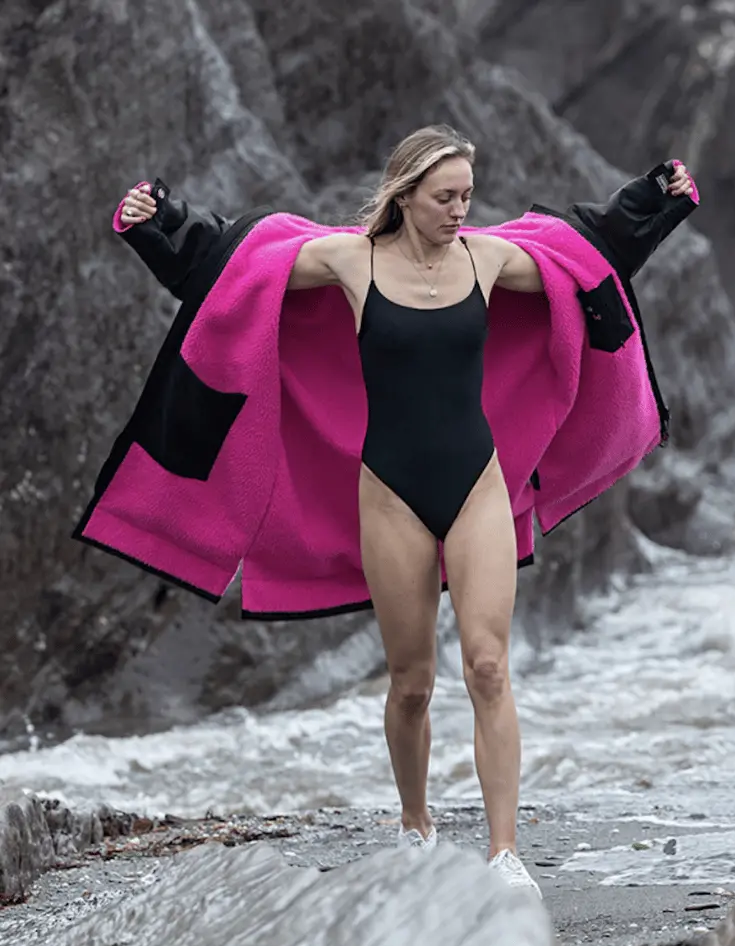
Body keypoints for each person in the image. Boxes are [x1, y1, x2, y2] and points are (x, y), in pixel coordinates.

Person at [86, 124, 696, 899]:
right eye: (444, 197)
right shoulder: (350, 261)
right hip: (389, 493)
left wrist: (653, 198)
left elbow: (584, 251)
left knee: (486, 666)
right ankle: (415, 828)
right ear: (404, 194)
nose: (458, 211)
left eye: (466, 196)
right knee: (410, 682)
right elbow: (235, 267)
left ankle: (504, 854)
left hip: (477, 484)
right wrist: (158, 218)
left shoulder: (489, 258)